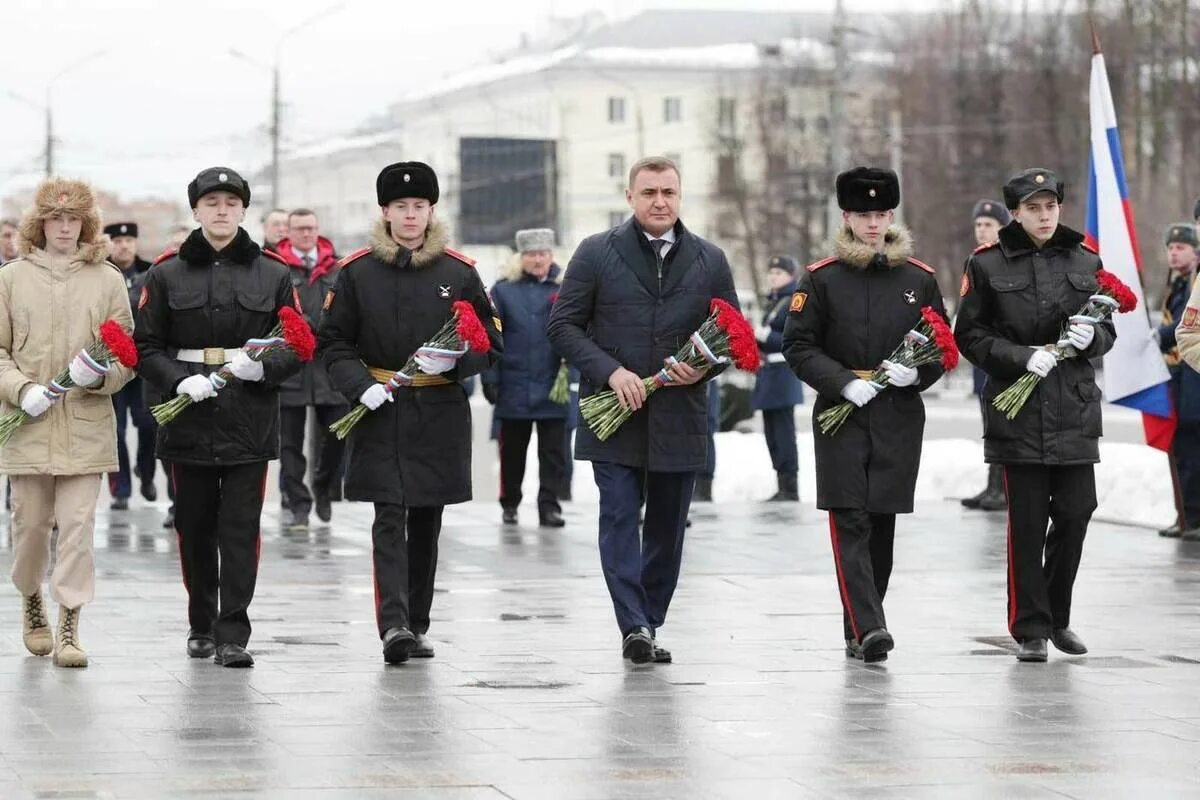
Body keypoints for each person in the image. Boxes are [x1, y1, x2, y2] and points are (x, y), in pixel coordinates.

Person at [547, 156, 739, 664]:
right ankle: (632, 623)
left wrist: (705, 368)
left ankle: (649, 620)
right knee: (617, 515)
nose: (660, 202)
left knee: (667, 528)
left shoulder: (710, 259)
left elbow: (732, 335)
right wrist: (611, 371)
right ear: (629, 197)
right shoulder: (595, 253)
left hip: (680, 417)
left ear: (681, 197)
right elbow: (563, 327)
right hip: (614, 412)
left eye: (669, 193)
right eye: (649, 192)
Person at [319, 161, 502, 664]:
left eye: (418, 206)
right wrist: (360, 387)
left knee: (427, 518)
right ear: (385, 211)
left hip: (438, 409)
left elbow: (492, 339)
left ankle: (416, 622)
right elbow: (333, 342)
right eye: (400, 207)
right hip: (380, 407)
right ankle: (393, 624)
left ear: (431, 210)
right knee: (388, 514)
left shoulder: (459, 272)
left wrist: (462, 357)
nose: (410, 216)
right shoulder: (357, 271)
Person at [135, 167, 301, 668]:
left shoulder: (273, 272)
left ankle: (234, 631)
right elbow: (145, 345)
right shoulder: (165, 273)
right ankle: (200, 623)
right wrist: (176, 379)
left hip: (249, 415)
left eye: (231, 201)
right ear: (196, 211)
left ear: (244, 210)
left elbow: (297, 341)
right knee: (195, 525)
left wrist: (262, 368)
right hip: (188, 414)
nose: (222, 210)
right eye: (212, 203)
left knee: (241, 527)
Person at [782, 167, 948, 664]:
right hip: (843, 414)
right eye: (862, 215)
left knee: (882, 526)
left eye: (880, 214)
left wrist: (914, 377)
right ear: (846, 216)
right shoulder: (821, 278)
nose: (872, 224)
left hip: (897, 416)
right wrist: (842, 382)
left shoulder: (919, 279)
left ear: (891, 215)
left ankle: (858, 625)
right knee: (849, 519)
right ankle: (872, 626)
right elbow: (798, 345)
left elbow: (940, 347)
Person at [955, 168, 1115, 663]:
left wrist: (1096, 339)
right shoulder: (985, 264)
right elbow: (971, 336)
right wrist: (1022, 356)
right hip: (1019, 411)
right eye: (1033, 209)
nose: (1044, 216)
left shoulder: (1085, 258)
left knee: (1075, 513)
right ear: (1016, 213)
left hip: (1073, 409)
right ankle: (1031, 628)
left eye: (1051, 207)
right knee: (1026, 524)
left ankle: (1057, 615)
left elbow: (1106, 328)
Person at [0, 178, 135, 667]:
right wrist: (22, 389)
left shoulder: (108, 279)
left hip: (85, 424)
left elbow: (126, 356)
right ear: (40, 223)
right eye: (55, 219)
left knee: (78, 525)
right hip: (29, 425)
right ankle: (31, 596)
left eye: (72, 219)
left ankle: (70, 620)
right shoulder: (11, 278)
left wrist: (98, 378)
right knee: (32, 524)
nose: (63, 227)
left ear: (85, 224)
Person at [482, 227, 570, 528]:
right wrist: (490, 377)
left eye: (543, 253)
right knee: (513, 452)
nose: (538, 260)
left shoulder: (566, 288)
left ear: (551, 255)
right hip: (513, 384)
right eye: (531, 254)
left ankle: (550, 505)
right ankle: (510, 503)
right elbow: (491, 336)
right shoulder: (504, 290)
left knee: (554, 454)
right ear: (522, 257)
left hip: (552, 385)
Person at [272, 208, 346, 529]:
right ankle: (298, 501)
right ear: (288, 232)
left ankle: (324, 485)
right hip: (291, 367)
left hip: (328, 369)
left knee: (336, 437)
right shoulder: (276, 267)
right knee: (289, 443)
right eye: (300, 228)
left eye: (311, 228)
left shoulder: (338, 268)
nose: (306, 234)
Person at [961, 200, 1011, 512]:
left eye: (989, 225)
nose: (982, 230)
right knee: (990, 421)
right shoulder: (976, 259)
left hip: (1002, 350)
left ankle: (1003, 488)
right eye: (978, 224)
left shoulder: (1007, 258)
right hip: (983, 353)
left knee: (1004, 421)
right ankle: (994, 484)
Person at [104, 221, 158, 510]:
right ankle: (121, 489)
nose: (123, 245)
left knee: (148, 425)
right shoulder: (101, 272)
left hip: (143, 366)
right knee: (116, 430)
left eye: (128, 240)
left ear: (136, 244)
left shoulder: (151, 272)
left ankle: (146, 473)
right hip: (111, 365)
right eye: (118, 240)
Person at [753, 255, 805, 502]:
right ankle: (781, 483)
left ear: (791, 276)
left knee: (783, 432)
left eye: (779, 272)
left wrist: (765, 335)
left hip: (783, 375)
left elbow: (793, 338)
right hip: (769, 376)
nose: (773, 276)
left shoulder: (794, 300)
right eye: (771, 272)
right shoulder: (775, 301)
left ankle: (790, 487)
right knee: (772, 433)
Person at [1161, 224, 1200, 540]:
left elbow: (1182, 327)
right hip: (1181, 379)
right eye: (1171, 247)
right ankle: (1188, 516)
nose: (1174, 252)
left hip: (1194, 381)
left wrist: (1157, 336)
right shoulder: (1177, 285)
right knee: (1184, 451)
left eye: (1181, 247)